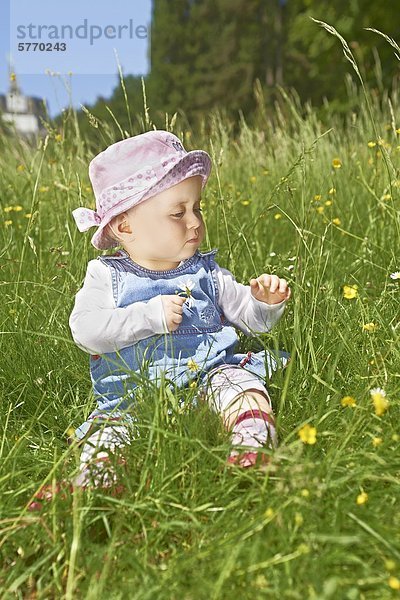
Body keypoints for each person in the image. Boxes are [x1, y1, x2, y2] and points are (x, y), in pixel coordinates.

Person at [68, 129, 292, 490]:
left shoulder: (207, 272)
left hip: (210, 378)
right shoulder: (106, 275)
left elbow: (252, 322)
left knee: (241, 386)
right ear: (125, 226)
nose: (195, 222)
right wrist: (148, 316)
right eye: (177, 212)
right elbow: (87, 332)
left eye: (197, 208)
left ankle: (253, 449)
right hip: (134, 397)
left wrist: (264, 304)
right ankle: (98, 483)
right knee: (110, 433)